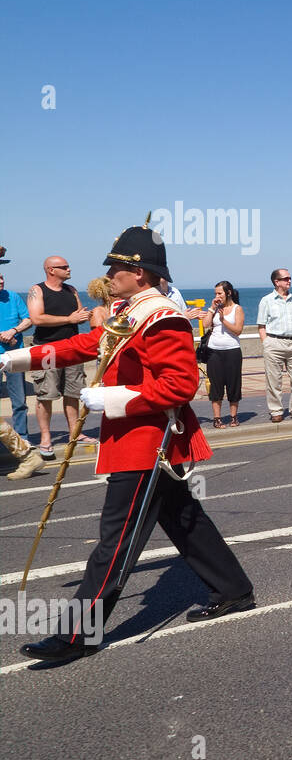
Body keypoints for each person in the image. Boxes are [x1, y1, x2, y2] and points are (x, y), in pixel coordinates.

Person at [1, 224, 256, 664]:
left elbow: (181, 384)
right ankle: (234, 589)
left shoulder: (162, 315)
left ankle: (78, 634)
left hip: (148, 442)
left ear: (140, 273)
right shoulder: (131, 309)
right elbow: (87, 344)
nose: (110, 274)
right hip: (137, 439)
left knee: (115, 539)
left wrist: (113, 398)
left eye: (117, 267)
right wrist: (21, 358)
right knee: (184, 519)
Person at [28, 255, 90, 459]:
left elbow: (78, 312)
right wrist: (69, 319)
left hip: (72, 347)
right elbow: (37, 318)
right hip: (47, 349)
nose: (69, 269)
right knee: (46, 395)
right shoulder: (37, 290)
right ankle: (45, 438)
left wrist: (86, 315)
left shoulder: (71, 290)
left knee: (73, 392)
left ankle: (75, 432)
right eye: (64, 267)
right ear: (51, 270)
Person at [257, 268, 292, 422]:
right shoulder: (266, 300)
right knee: (274, 380)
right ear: (276, 282)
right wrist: (266, 343)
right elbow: (261, 325)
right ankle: (276, 411)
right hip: (274, 342)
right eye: (286, 278)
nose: (289, 281)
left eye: (289, 278)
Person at [0, 263, 34, 442]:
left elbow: (28, 319)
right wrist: (3, 336)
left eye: (2, 277)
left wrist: (13, 331)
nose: (1, 281)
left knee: (19, 400)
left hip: (14, 356)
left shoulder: (13, 296)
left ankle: (23, 437)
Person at [205, 281, 245, 428]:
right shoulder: (215, 309)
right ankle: (217, 418)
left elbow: (238, 330)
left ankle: (234, 416)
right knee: (216, 385)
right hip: (214, 351)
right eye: (215, 293)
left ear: (228, 293)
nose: (217, 296)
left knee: (233, 384)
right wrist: (211, 308)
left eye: (220, 293)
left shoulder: (237, 309)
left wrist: (223, 321)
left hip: (232, 350)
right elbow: (205, 324)